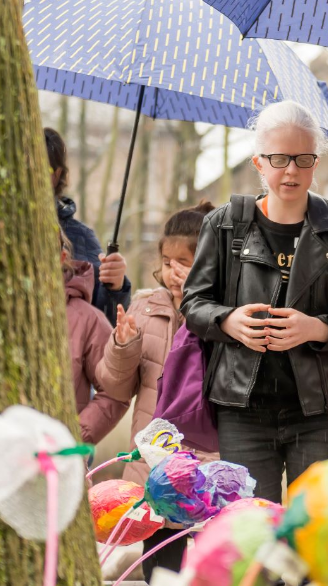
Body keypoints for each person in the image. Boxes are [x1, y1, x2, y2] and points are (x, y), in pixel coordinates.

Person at [181, 100, 328, 503]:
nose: (290, 170)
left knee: (316, 533)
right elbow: (193, 304)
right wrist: (227, 321)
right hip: (242, 410)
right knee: (252, 533)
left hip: (320, 412)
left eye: (302, 158)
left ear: (315, 164)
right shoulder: (222, 224)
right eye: (279, 158)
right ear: (259, 162)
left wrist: (318, 328)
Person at [96, 200, 218, 581]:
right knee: (161, 560)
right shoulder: (146, 307)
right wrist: (123, 345)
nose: (174, 272)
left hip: (209, 460)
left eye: (185, 262)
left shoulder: (225, 312)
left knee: (214, 557)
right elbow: (114, 383)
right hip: (154, 462)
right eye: (167, 262)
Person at [45, 127, 131, 323]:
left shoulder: (81, 238)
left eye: (42, 169)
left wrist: (115, 287)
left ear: (57, 174)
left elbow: (105, 321)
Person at [59, 229, 127, 445]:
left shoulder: (87, 319)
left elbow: (116, 389)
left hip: (60, 464)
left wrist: (74, 437)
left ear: (62, 258)